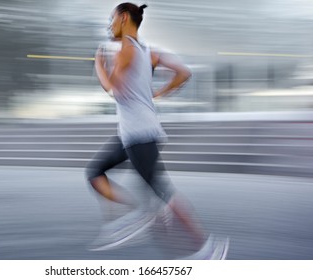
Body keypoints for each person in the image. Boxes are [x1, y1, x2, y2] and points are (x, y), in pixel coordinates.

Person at [86, 2, 228, 259]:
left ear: (124, 17)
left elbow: (113, 90)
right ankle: (137, 214)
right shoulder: (149, 50)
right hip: (135, 131)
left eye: (111, 19)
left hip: (138, 134)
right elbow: (184, 73)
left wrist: (98, 64)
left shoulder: (126, 49)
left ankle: (207, 249)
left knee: (163, 192)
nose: (109, 25)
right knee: (95, 172)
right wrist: (159, 93)